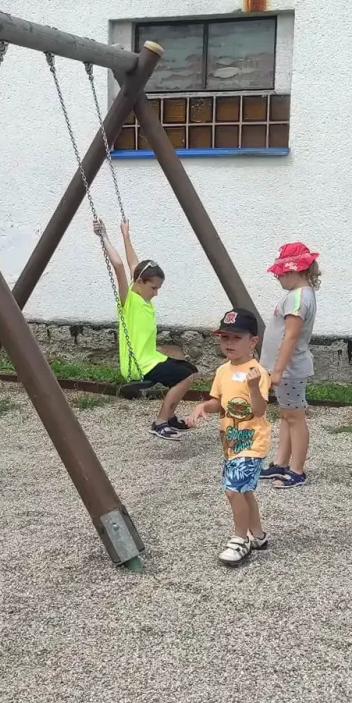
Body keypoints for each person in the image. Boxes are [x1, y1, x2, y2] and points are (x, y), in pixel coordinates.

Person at [92, 217, 199, 440]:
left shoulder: (142, 295)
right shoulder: (128, 301)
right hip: (139, 365)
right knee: (186, 376)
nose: (156, 293)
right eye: (153, 288)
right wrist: (104, 236)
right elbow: (120, 267)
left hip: (150, 358)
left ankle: (169, 417)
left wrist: (126, 235)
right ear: (140, 282)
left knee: (187, 367)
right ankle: (160, 423)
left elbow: (134, 264)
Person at [182, 309, 272, 565]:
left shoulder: (257, 372)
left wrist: (253, 387)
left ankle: (240, 539)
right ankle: (258, 535)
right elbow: (218, 402)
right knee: (244, 491)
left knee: (233, 491)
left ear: (252, 342)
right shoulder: (223, 371)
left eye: (236, 337)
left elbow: (259, 410)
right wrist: (203, 406)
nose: (229, 343)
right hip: (231, 442)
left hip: (252, 441)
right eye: (224, 337)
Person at [259, 241, 321, 489]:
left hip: (290, 369)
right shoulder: (298, 295)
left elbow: (291, 336)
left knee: (295, 417)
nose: (279, 278)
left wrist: (278, 369)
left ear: (297, 270)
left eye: (282, 274)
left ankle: (297, 470)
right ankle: (281, 462)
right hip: (287, 369)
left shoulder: (298, 298)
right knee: (286, 416)